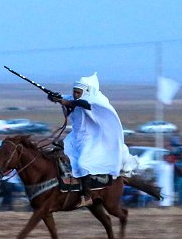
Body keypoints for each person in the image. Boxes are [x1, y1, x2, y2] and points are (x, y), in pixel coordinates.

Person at [49, 73, 135, 208]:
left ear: (86, 91)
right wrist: (54, 97)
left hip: (92, 140)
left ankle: (87, 196)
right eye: (74, 92)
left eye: (78, 92)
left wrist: (66, 102)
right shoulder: (74, 98)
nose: (76, 94)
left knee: (83, 164)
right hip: (75, 138)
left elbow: (82, 103)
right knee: (55, 151)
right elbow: (66, 99)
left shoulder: (97, 101)